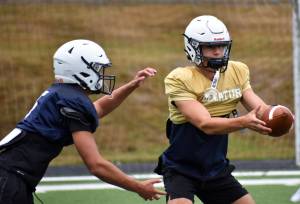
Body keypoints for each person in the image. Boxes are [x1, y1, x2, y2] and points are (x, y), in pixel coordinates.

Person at [0, 39, 166, 204]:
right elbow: (96, 165)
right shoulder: (72, 101)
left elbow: (99, 108)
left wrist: (131, 85)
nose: (101, 74)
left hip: (11, 175)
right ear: (81, 69)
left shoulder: (62, 93)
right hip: (9, 179)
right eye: (98, 69)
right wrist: (138, 187)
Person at [154, 15, 272, 204]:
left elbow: (260, 108)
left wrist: (277, 116)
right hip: (182, 169)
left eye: (221, 46)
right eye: (209, 47)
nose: (218, 52)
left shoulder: (237, 71)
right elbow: (205, 124)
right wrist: (243, 122)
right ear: (193, 48)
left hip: (216, 169)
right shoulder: (179, 78)